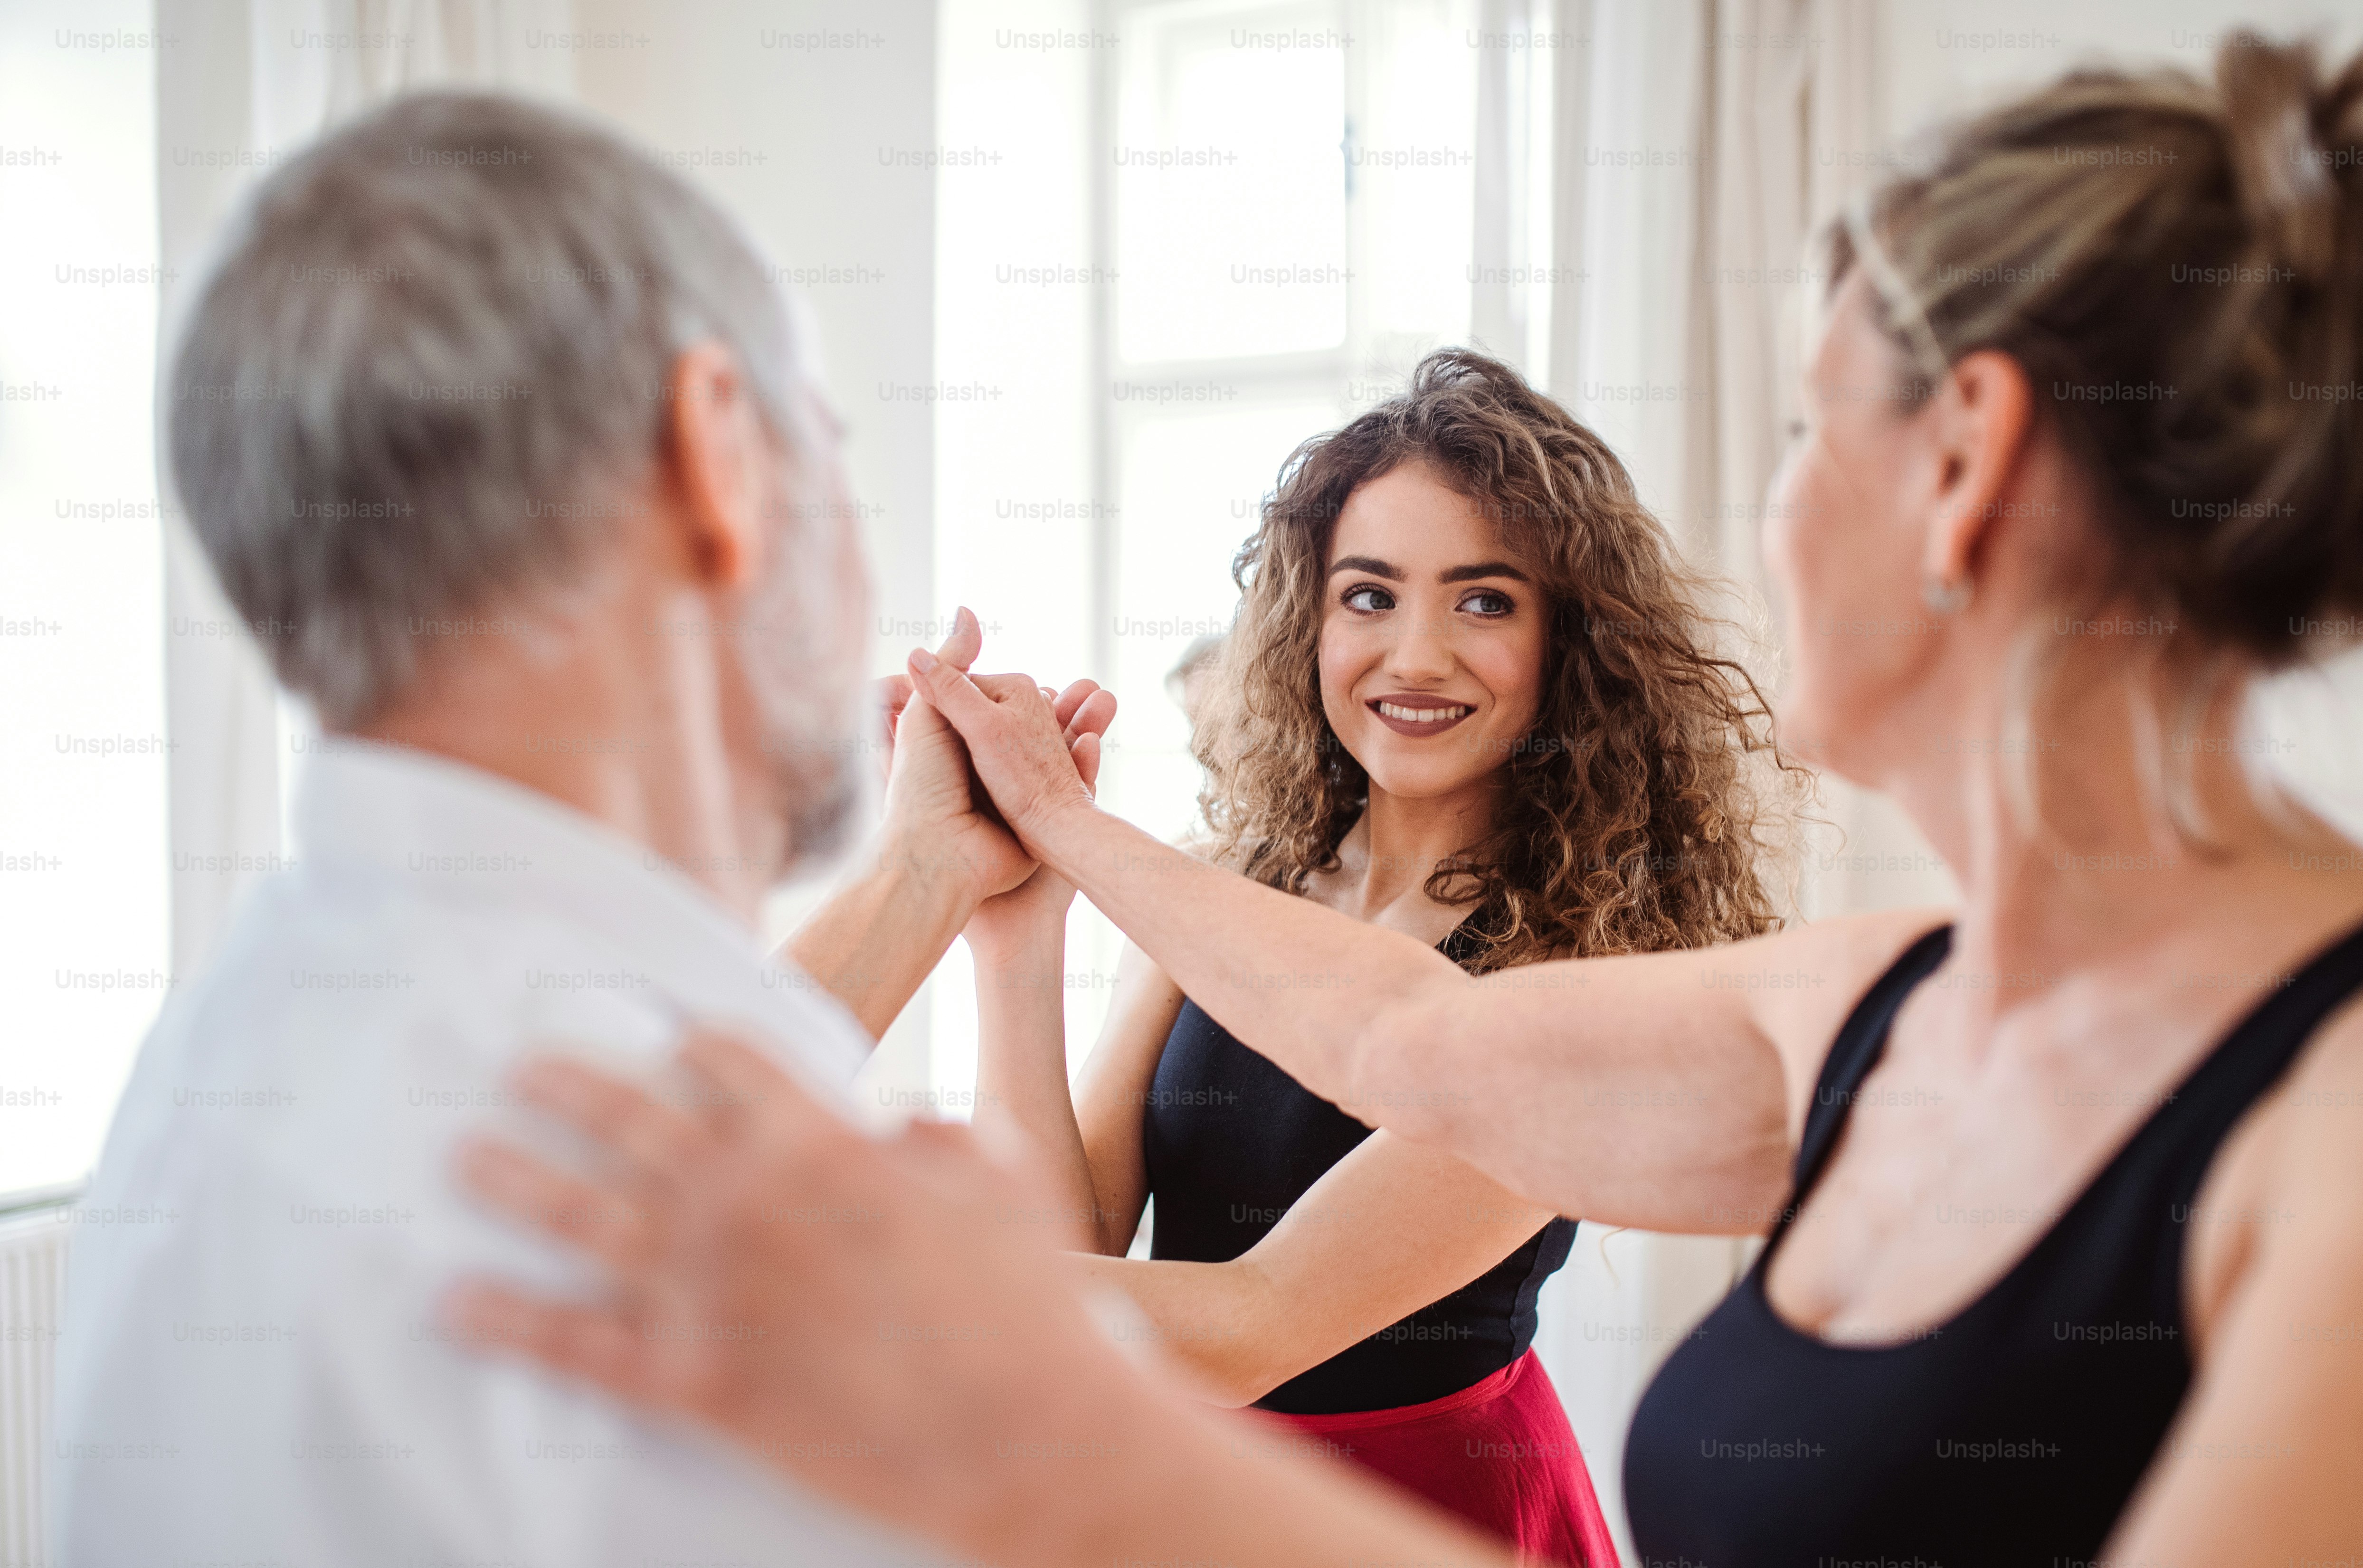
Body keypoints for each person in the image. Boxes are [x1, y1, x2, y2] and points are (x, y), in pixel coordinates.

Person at [451, 33, 2363, 1568]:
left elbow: (1266, 1299)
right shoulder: (1863, 1005)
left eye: (1801, 427)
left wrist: (924, 1326)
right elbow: (1395, 1033)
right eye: (1368, 595)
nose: (1768, 506)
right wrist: (1025, 863)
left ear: (1962, 465)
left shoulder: (2327, 1123)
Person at [50, 91, 1123, 1568]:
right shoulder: (668, 1245)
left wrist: (926, 876)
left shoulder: (255, 1037)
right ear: (718, 452)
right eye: (829, 446)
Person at [967, 349, 1794, 1564]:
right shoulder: (1238, 880)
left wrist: (888, 1270)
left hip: (1429, 1517)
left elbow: (1255, 1325)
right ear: (1309, 619)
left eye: (1484, 600)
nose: (1412, 656)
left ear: (1570, 642)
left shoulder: (1582, 970)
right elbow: (1070, 1242)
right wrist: (1018, 924)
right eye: (1368, 595)